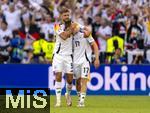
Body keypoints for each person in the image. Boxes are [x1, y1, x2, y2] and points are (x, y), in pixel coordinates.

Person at [52, 7, 76, 107]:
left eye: (67, 15)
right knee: (58, 76)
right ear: (61, 16)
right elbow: (64, 36)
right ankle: (58, 101)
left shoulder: (74, 24)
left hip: (69, 56)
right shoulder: (57, 26)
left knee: (70, 79)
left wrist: (72, 28)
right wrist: (71, 29)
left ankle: (68, 94)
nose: (66, 17)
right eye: (64, 15)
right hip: (58, 55)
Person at [72, 23, 100, 107]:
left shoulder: (85, 34)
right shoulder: (70, 37)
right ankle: (79, 97)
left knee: (84, 81)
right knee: (77, 82)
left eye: (75, 27)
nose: (74, 29)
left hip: (85, 60)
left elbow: (94, 45)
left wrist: (97, 58)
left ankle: (82, 101)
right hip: (75, 62)